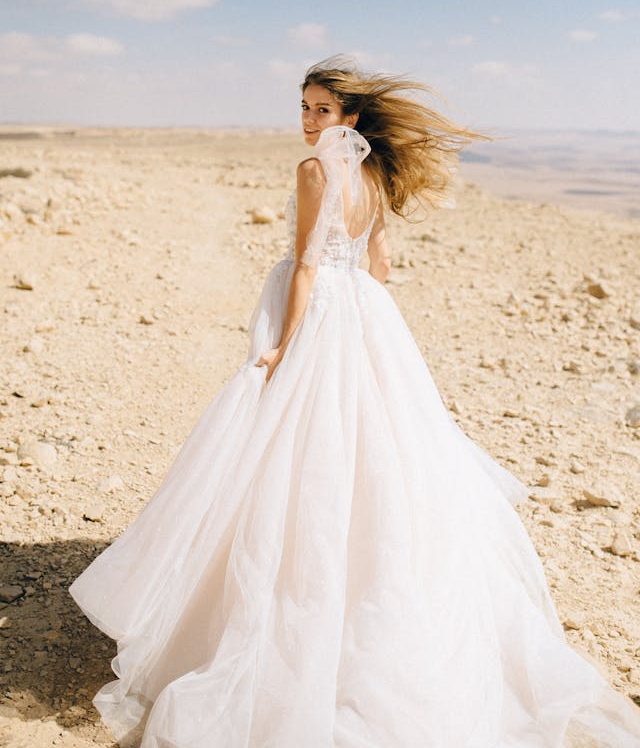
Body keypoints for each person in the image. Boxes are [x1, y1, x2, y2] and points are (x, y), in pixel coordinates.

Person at [69, 56, 640, 748]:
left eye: (322, 111)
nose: (309, 121)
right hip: (369, 317)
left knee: (297, 451)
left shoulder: (316, 172)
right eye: (305, 107)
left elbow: (307, 261)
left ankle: (286, 609)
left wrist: (284, 343)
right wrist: (365, 313)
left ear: (350, 119)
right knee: (377, 453)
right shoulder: (372, 174)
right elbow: (381, 264)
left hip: (322, 315)